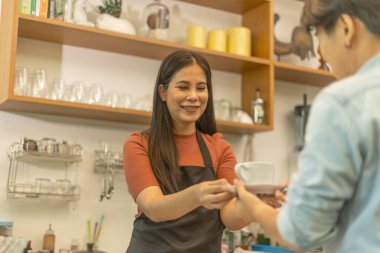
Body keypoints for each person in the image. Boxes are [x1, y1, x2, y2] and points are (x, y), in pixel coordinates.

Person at [233, 0, 380, 252]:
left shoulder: (343, 100)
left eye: (320, 39)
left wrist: (253, 208)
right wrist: (310, 198)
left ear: (346, 28)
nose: (322, 54)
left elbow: (301, 233)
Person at [123, 50, 250, 253]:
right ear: (163, 92)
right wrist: (198, 194)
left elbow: (232, 218)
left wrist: (256, 204)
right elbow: (154, 208)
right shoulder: (139, 144)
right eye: (183, 87)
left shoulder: (220, 147)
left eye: (201, 88)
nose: (193, 96)